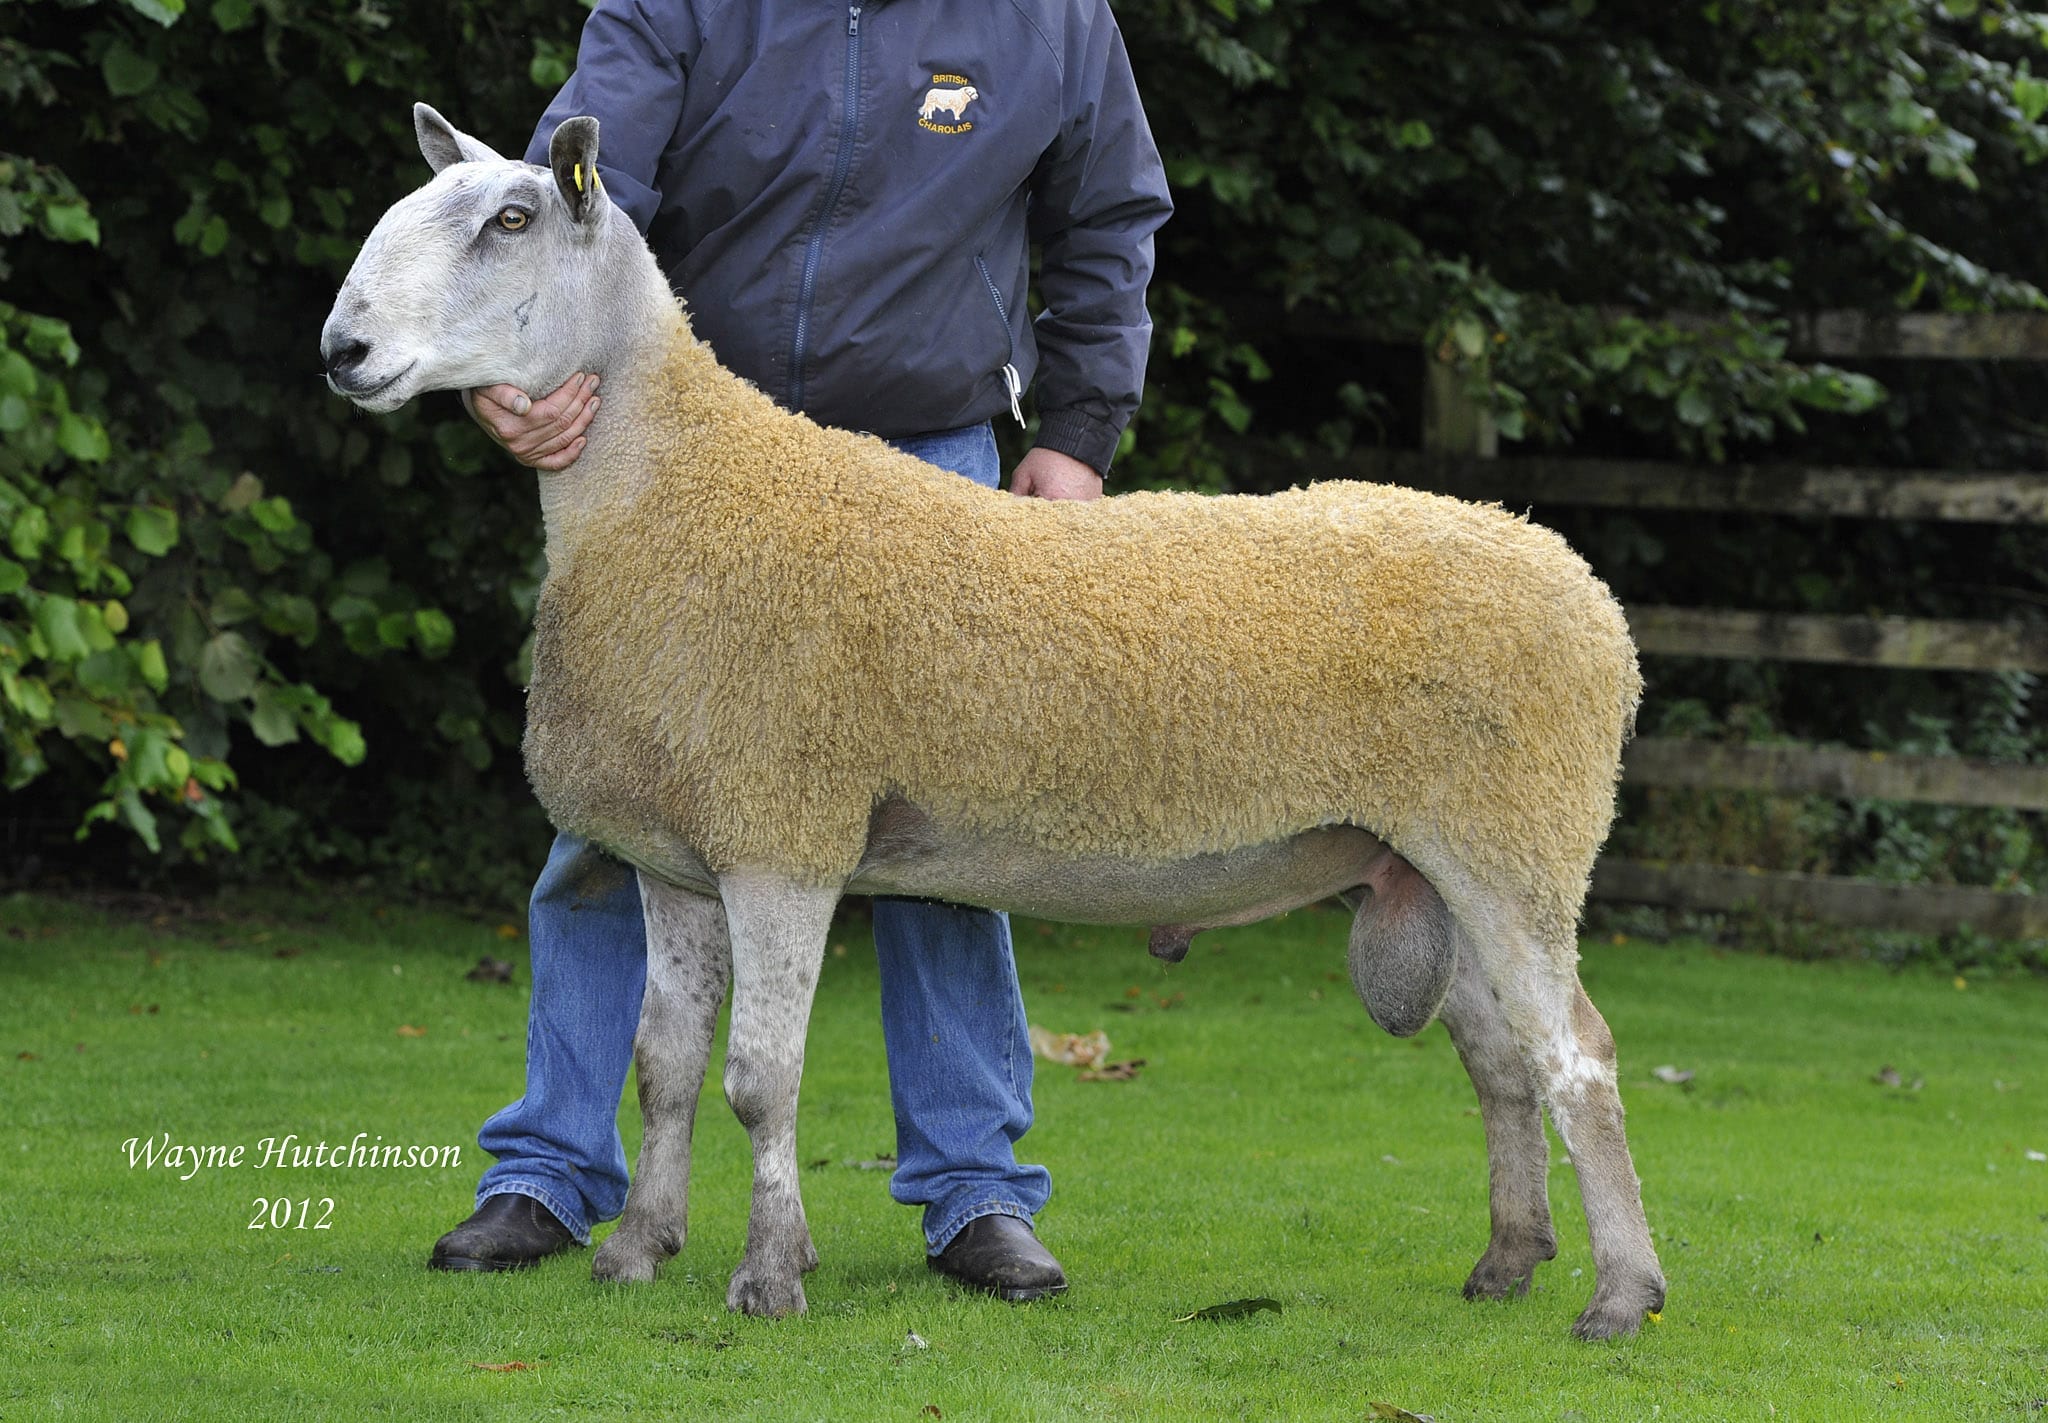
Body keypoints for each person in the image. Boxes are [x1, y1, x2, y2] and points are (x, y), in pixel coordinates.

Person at [427, 0, 1171, 1301]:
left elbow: (1107, 217)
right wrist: (514, 364)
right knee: (617, 807)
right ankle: (549, 1167)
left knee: (947, 820)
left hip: (927, 448)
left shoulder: (1052, 16)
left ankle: (972, 1192)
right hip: (694, 439)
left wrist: (1082, 429)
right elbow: (571, 190)